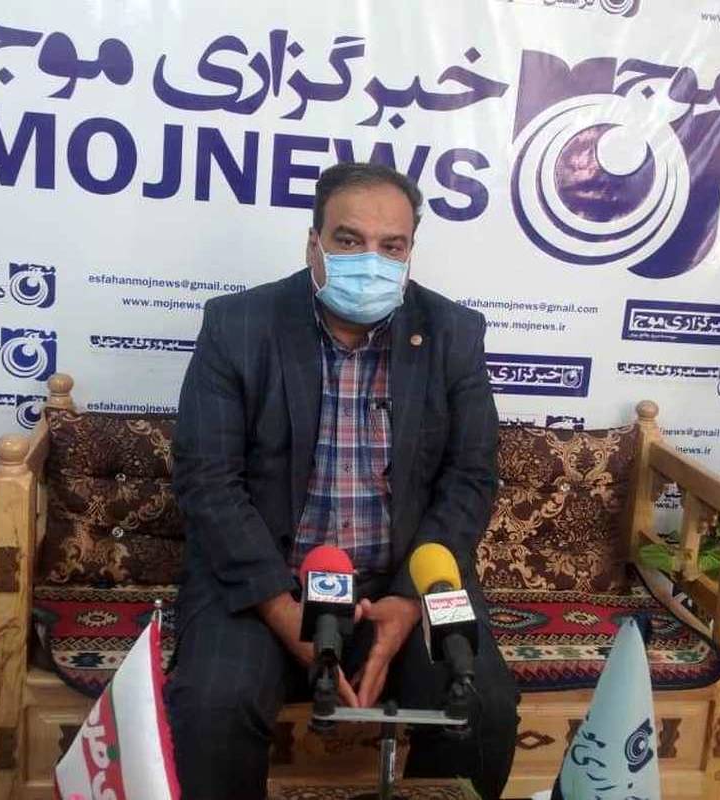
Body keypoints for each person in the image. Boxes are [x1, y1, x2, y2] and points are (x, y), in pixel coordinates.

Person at [167, 161, 519, 799]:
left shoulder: (452, 333)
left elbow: (471, 476)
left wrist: (408, 602)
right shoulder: (238, 326)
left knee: (483, 710)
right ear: (314, 244)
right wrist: (283, 611)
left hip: (404, 578)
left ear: (410, 252)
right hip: (268, 577)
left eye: (392, 246)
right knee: (214, 706)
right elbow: (208, 481)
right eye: (349, 240)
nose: (371, 261)